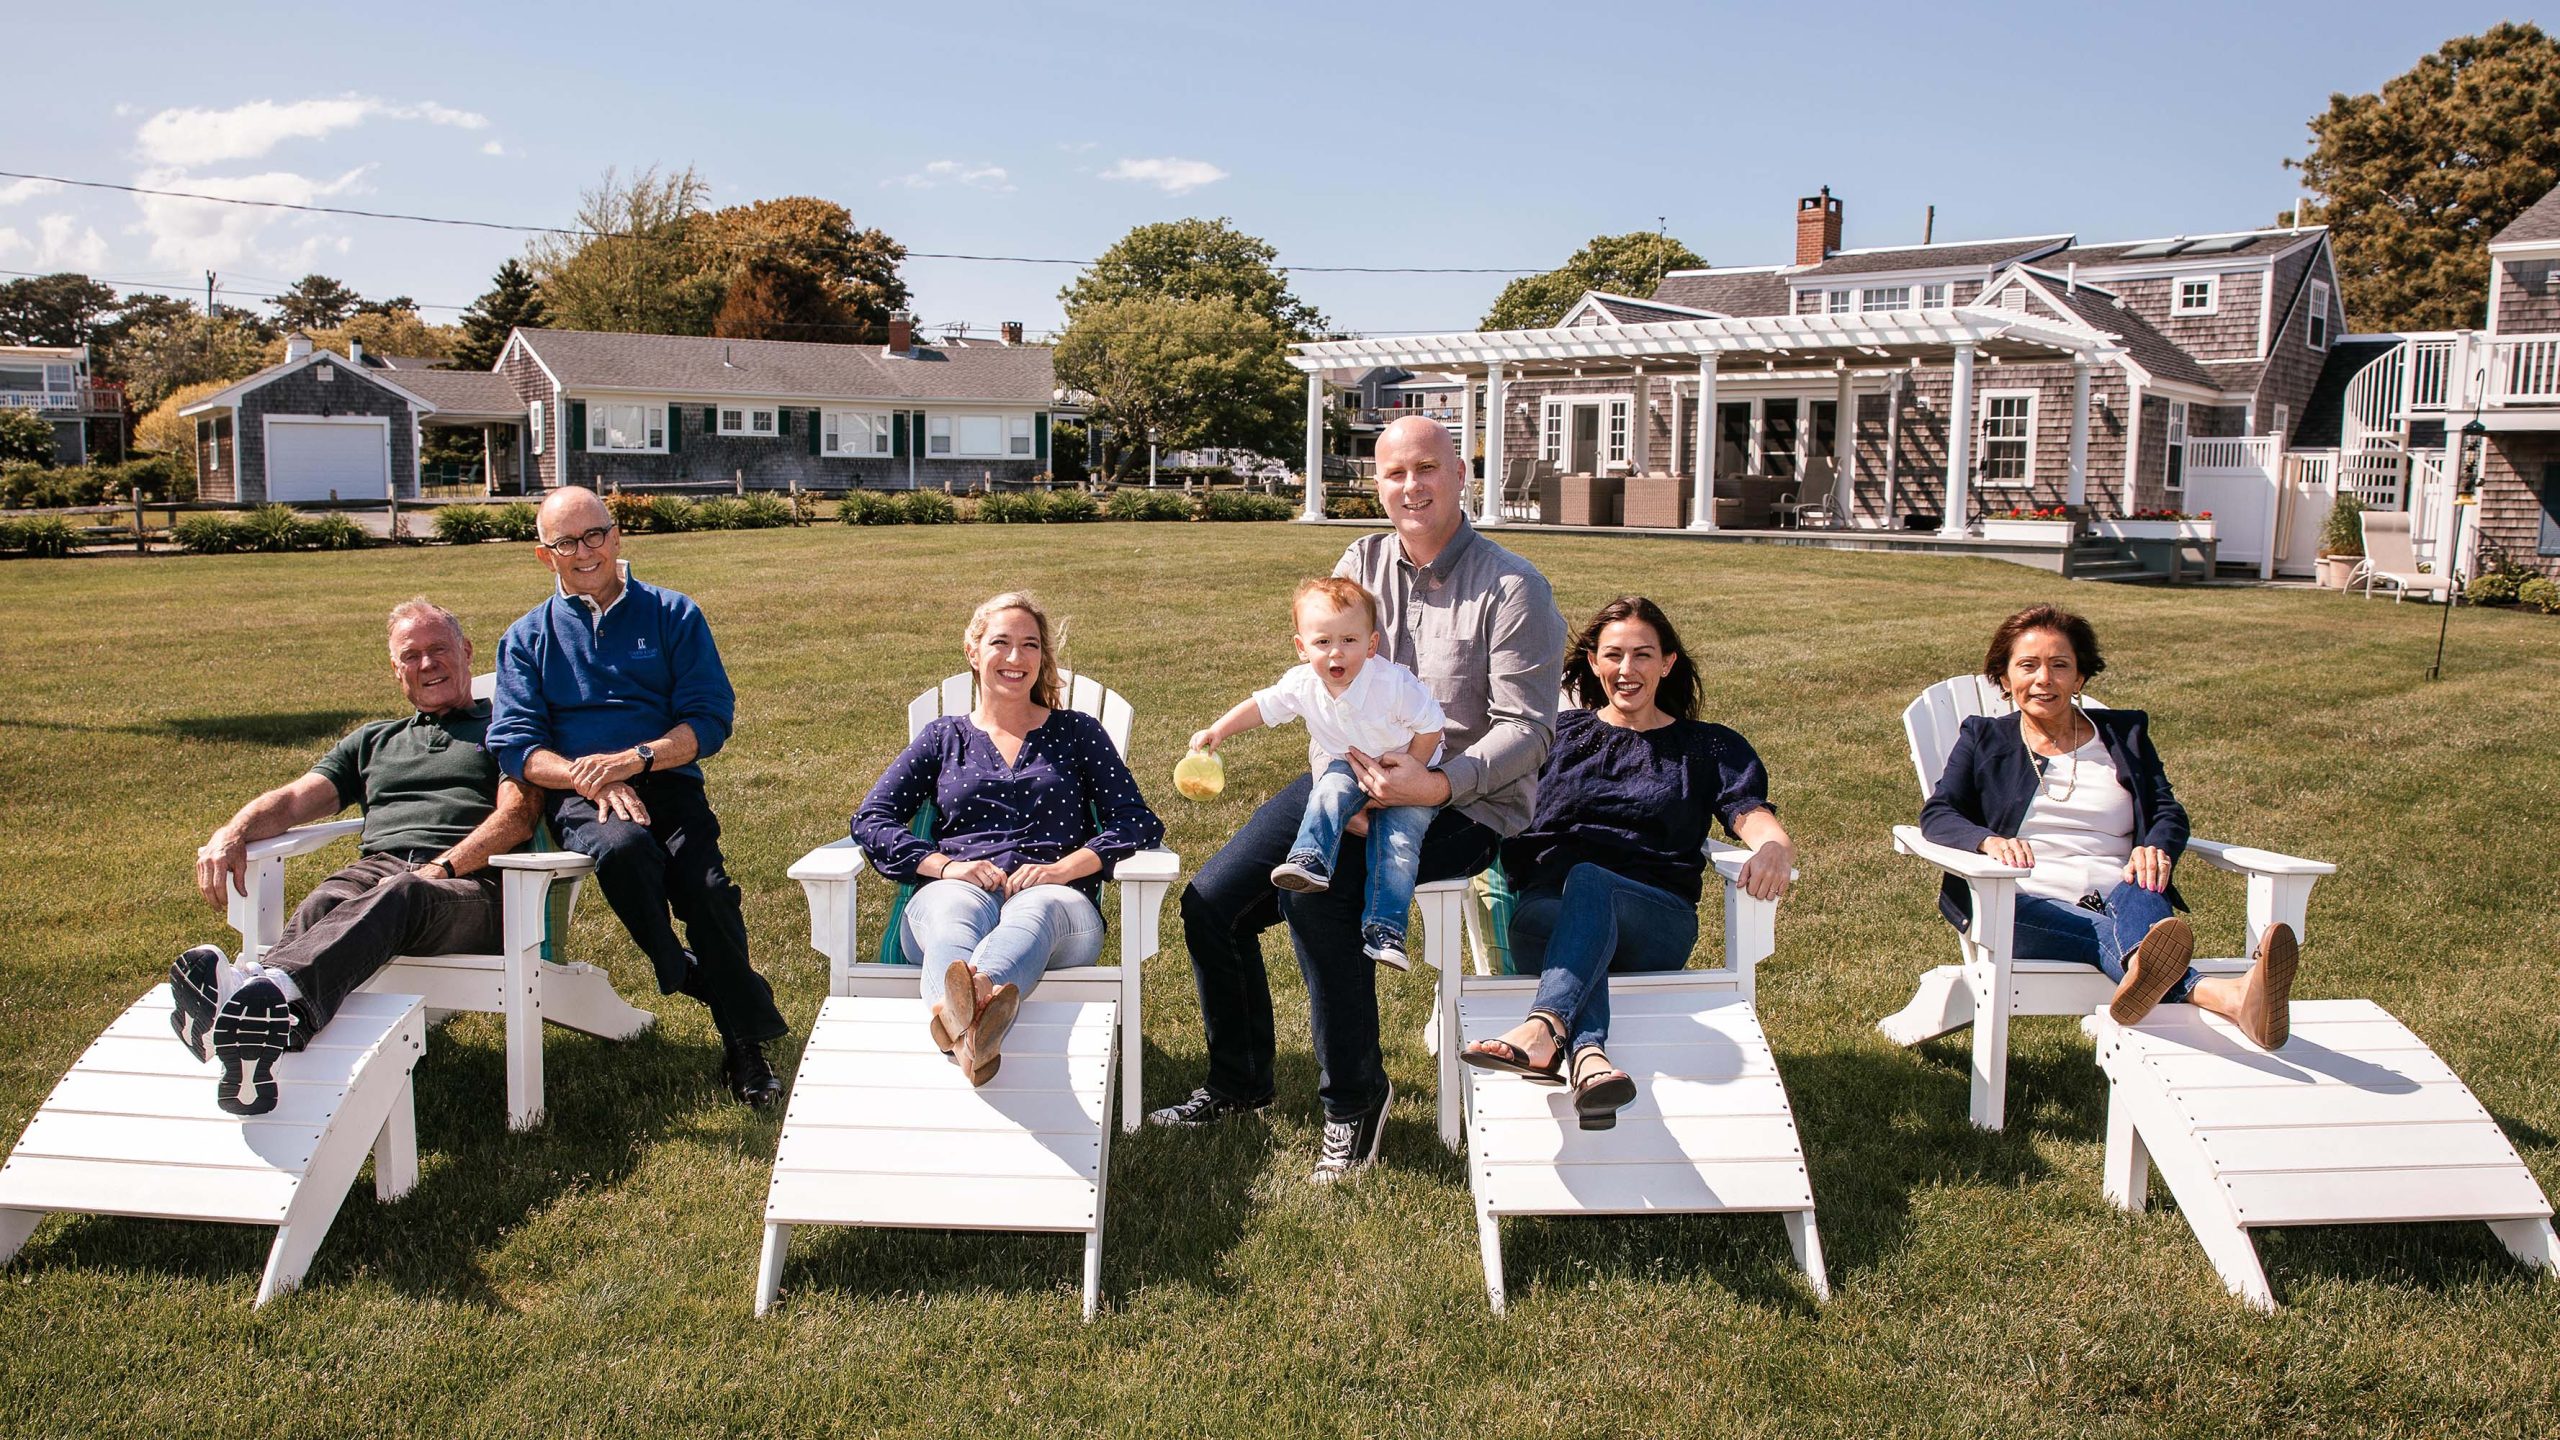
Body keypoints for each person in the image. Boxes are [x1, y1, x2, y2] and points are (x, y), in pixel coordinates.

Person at [1152, 415, 1567, 1185]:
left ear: (1461, 474)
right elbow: (1324, 671)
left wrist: (1435, 783)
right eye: (1393, 473)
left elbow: (1529, 730)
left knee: (1319, 898)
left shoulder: (1514, 587)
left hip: (1461, 802)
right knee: (1213, 903)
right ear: (1376, 483)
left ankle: (1354, 1101)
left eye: (1427, 469)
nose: (1410, 486)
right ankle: (1240, 1084)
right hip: (1344, 781)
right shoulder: (1362, 561)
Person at [174, 598, 539, 1116]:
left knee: (405, 891)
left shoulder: (506, 728)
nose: (427, 664)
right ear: (396, 670)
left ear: (466, 650)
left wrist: (442, 867)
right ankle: (261, 1026)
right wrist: (230, 833)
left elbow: (517, 817)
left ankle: (253, 994)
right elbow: (294, 800)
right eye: (411, 656)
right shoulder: (373, 741)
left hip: (474, 887)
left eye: (439, 649)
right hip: (379, 872)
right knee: (328, 898)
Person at [484, 487, 788, 1106]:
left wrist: (637, 757)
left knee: (707, 894)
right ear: (546, 557)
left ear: (617, 534)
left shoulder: (673, 614)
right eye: (566, 543)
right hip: (580, 792)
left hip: (668, 779)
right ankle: (693, 975)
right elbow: (517, 744)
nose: (584, 551)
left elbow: (708, 719)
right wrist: (588, 777)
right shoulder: (527, 638)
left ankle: (741, 1045)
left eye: (594, 535)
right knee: (621, 851)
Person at [1460, 597, 1795, 1129]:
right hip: (1543, 917)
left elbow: (1748, 813)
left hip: (1654, 922)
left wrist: (1775, 845)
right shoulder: (1556, 736)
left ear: (1668, 663)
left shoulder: (1708, 747)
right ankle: (1590, 1061)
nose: (1626, 669)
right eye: (1613, 654)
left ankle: (1546, 1026)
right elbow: (1481, 788)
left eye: (1643, 655)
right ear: (1593, 662)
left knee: (1591, 880)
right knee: (1575, 894)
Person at [1918, 604, 2296, 1047]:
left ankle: (2156, 974)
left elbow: (2167, 811)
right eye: (2028, 665)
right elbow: (1938, 813)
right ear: (2004, 678)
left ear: (2079, 679)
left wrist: (2155, 846)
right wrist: (1987, 842)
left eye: (2060, 666)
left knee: (2144, 896)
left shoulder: (2123, 735)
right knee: (2126, 938)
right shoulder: (1984, 737)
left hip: (2123, 891)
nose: (2045, 678)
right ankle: (2227, 995)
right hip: (2016, 900)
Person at [850, 593, 1165, 1084]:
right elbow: (872, 819)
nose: (1016, 658)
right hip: (957, 890)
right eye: (1001, 643)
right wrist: (945, 867)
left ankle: (961, 1011)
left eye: (1030, 645)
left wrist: (1064, 869)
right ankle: (980, 1027)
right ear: (974, 653)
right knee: (953, 909)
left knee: (1035, 910)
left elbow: (1136, 822)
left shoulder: (1077, 732)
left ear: (1042, 658)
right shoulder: (943, 737)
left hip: (1059, 905)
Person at [1187, 576, 1447, 971]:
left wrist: (1410, 772)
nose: (1336, 653)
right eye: (1323, 642)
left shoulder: (1392, 685)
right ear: (1301, 647)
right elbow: (1261, 706)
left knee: (1397, 843)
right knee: (1326, 793)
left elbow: (1431, 724)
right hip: (1351, 762)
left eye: (1349, 641)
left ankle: (1387, 929)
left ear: (1372, 644)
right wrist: (1218, 730)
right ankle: (1310, 861)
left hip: (1407, 770)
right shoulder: (1303, 684)